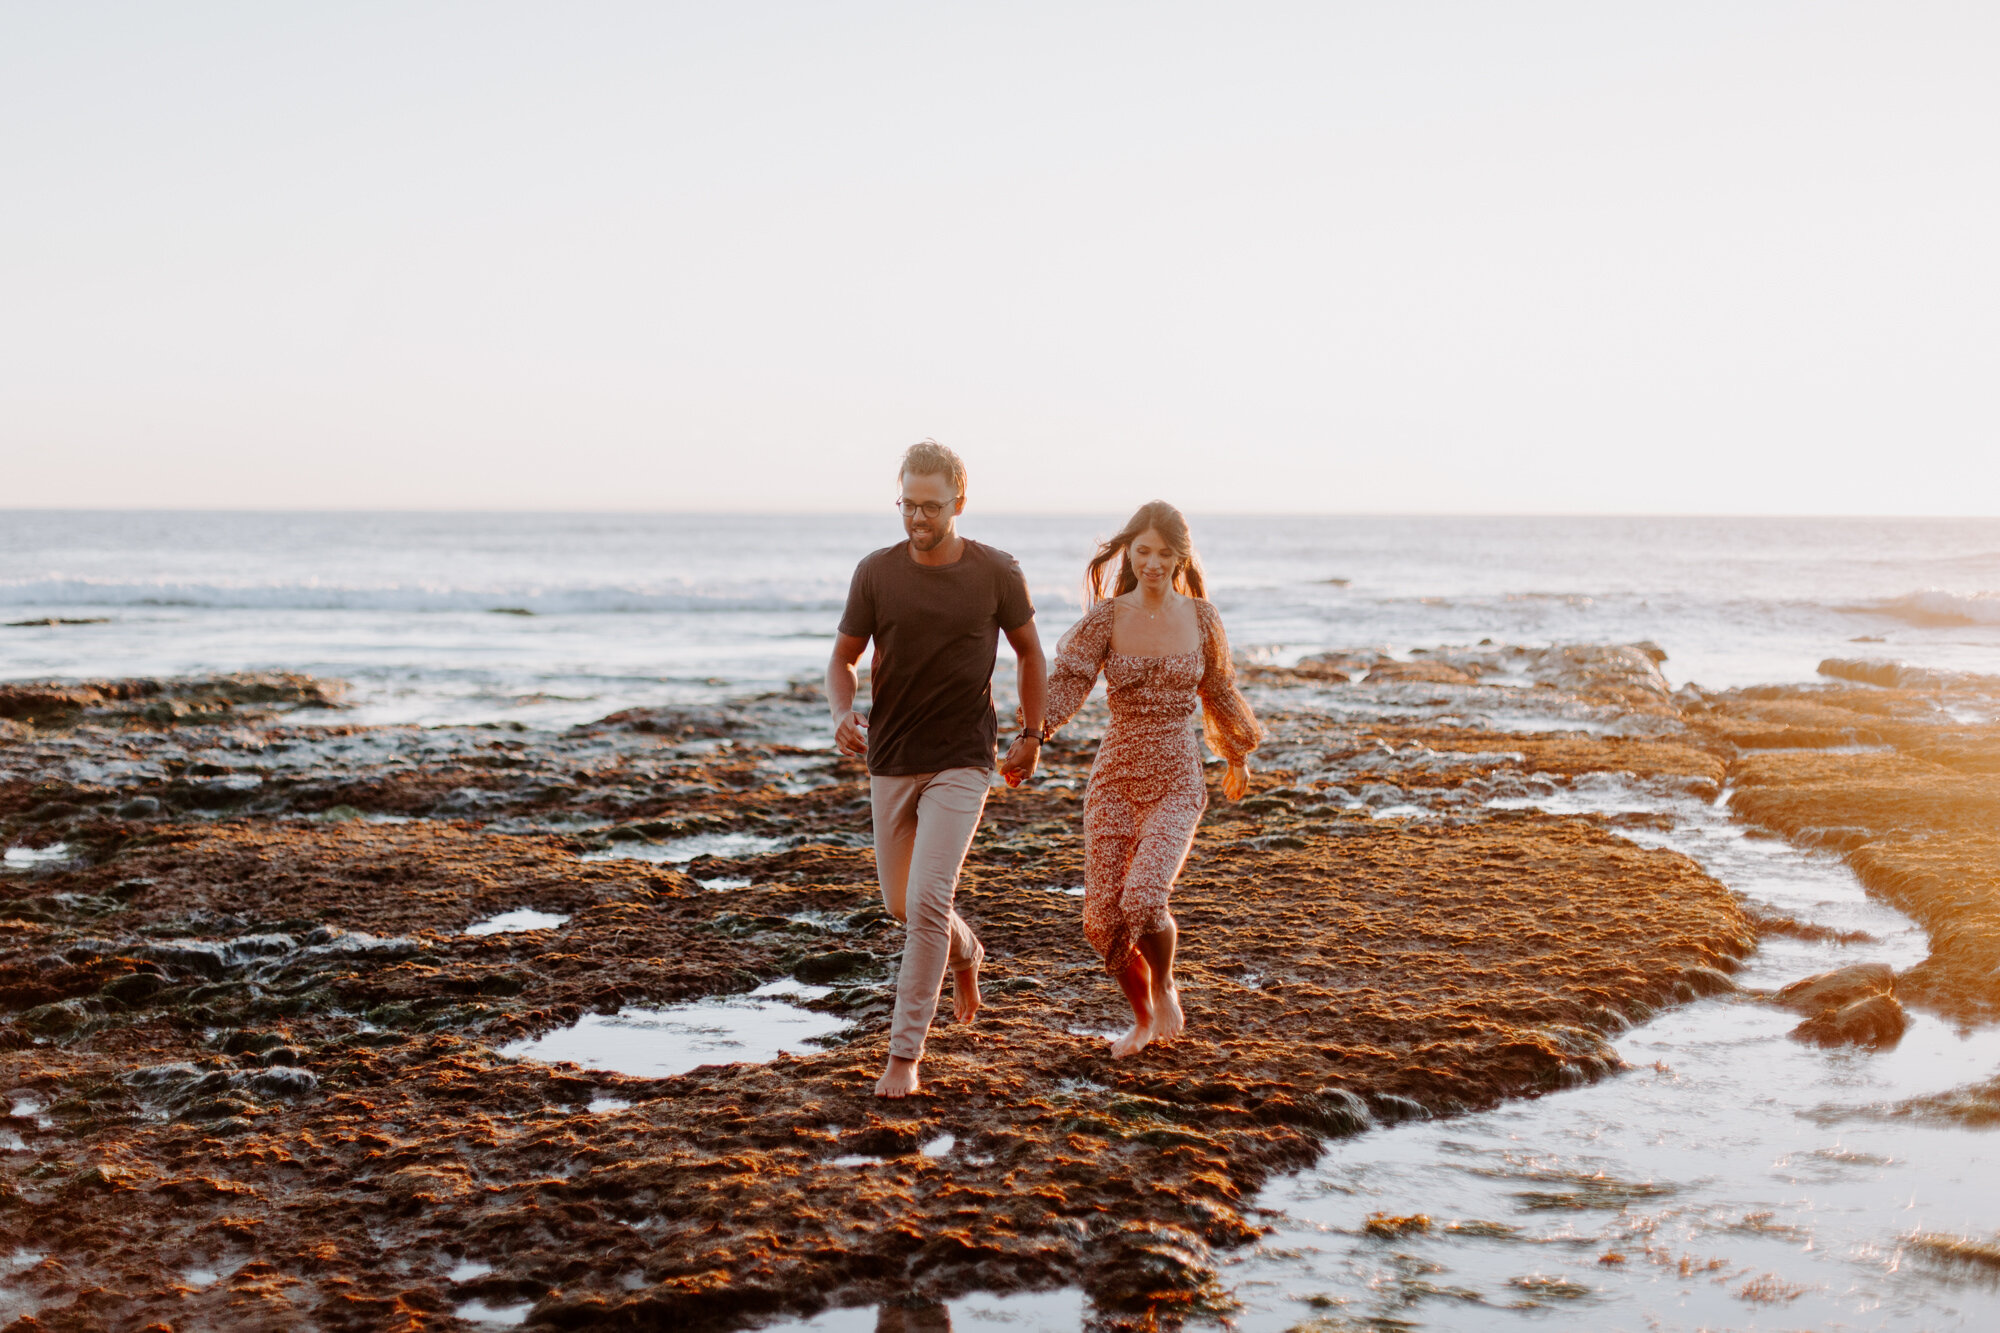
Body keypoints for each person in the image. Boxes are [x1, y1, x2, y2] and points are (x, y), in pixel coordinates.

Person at [828, 440, 1048, 1098]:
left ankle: (904, 1057)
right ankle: (968, 951)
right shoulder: (875, 572)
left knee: (927, 900)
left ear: (959, 501)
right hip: (891, 756)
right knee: (902, 904)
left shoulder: (996, 572)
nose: (917, 517)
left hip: (963, 757)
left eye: (931, 505)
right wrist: (842, 711)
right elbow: (842, 659)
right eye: (907, 504)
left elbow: (1031, 654)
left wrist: (1032, 733)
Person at [1040, 501, 1261, 1057]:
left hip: (1176, 777)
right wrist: (1029, 737)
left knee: (1142, 899)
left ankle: (1163, 986)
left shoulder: (1203, 618)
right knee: (1099, 919)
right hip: (1114, 775)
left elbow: (1221, 690)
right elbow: (1066, 683)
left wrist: (1238, 753)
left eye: (1165, 553)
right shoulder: (1107, 619)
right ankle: (1141, 1021)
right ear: (1129, 554)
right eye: (1143, 551)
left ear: (1180, 556)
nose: (1154, 562)